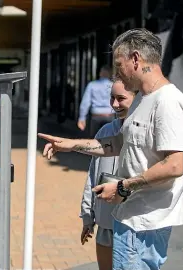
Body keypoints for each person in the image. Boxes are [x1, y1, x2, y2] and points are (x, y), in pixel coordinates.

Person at [38, 28, 183, 270]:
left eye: (118, 64)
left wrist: (122, 187)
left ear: (135, 59)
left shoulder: (167, 101)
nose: (116, 71)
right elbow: (120, 143)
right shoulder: (144, 98)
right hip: (132, 218)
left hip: (144, 222)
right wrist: (70, 145)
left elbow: (174, 164)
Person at [80, 80, 136, 270]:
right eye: (112, 98)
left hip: (133, 227)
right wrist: (88, 217)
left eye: (121, 99)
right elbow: (92, 176)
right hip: (105, 224)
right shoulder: (104, 131)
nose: (114, 104)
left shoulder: (145, 133)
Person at [78, 66, 114, 137]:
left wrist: (82, 118)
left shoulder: (92, 85)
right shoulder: (113, 85)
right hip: (109, 116)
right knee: (109, 142)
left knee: (95, 141)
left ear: (100, 74)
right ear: (109, 74)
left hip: (96, 116)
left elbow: (85, 102)